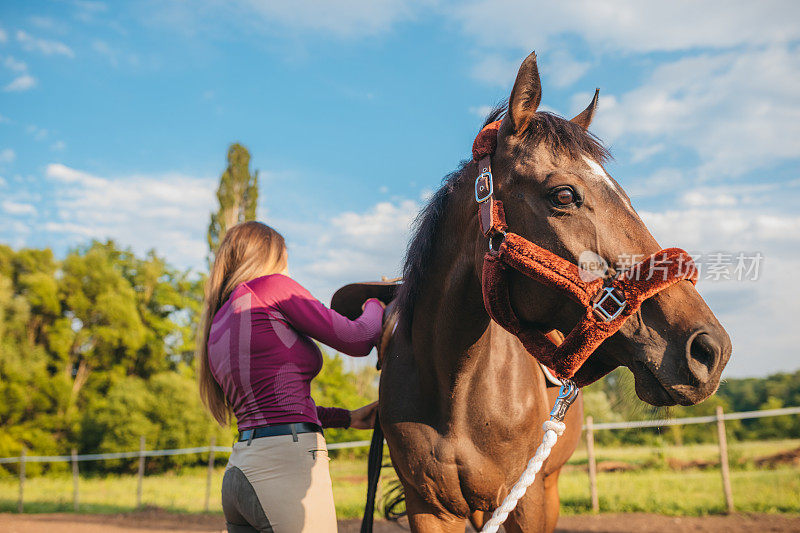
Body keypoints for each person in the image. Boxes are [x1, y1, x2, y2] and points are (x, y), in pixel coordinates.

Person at [197, 221, 384, 533]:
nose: (286, 272)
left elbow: (275, 405)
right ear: (270, 259)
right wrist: (374, 302)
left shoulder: (217, 321)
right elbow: (358, 339)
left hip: (239, 471)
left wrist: (347, 418)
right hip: (284, 469)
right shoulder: (272, 288)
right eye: (284, 263)